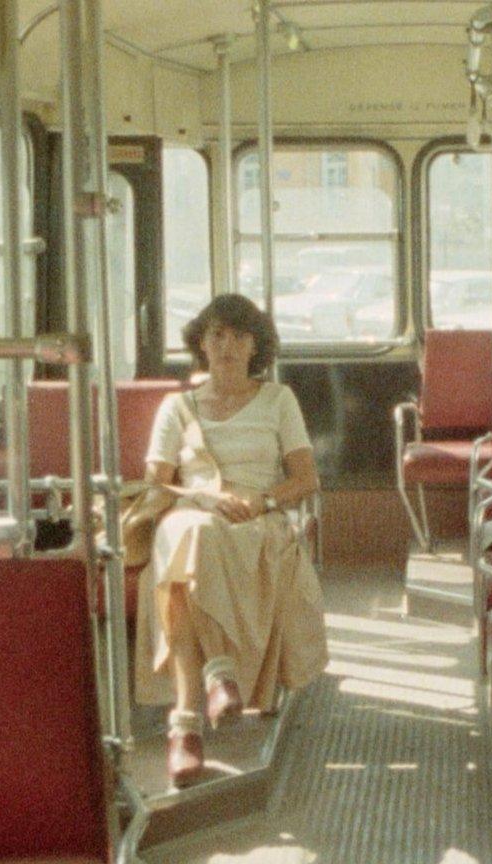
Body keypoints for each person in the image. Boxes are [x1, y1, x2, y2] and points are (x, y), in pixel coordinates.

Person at [134, 294, 327, 787]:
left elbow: (305, 479)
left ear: (255, 346)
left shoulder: (278, 400)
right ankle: (218, 676)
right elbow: (156, 485)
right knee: (192, 534)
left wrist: (261, 501)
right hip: (192, 509)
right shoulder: (177, 407)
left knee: (183, 565)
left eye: (240, 336)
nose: (227, 346)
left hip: (256, 517)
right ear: (201, 343)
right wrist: (203, 497)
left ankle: (185, 727)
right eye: (217, 335)